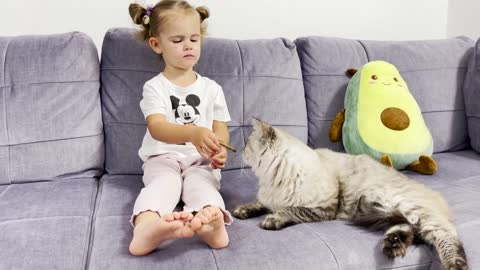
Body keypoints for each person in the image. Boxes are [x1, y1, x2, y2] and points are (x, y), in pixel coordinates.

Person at [128, 0, 232, 256]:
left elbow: (221, 129)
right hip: (163, 157)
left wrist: (218, 150)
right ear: (156, 45)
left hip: (200, 161)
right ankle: (146, 229)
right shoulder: (155, 87)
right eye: (177, 40)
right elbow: (157, 128)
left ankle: (212, 223)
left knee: (203, 186)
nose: (188, 45)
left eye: (194, 39)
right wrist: (192, 132)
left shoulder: (212, 89)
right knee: (163, 186)